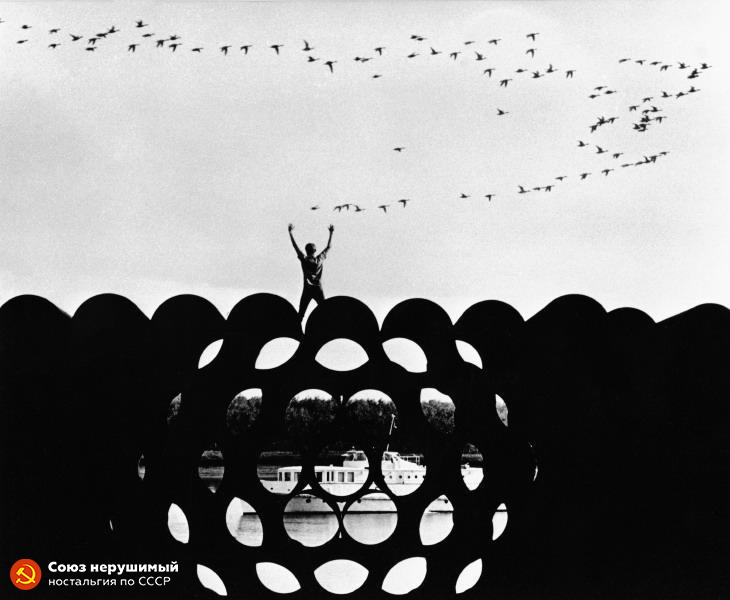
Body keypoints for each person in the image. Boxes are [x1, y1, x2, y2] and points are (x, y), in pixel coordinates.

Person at [288, 223, 334, 320]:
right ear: (315, 250)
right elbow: (328, 247)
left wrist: (290, 232)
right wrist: (331, 233)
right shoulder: (320, 259)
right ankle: (329, 329)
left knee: (300, 315)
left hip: (307, 290)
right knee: (325, 311)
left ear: (306, 250)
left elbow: (294, 246)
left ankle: (297, 332)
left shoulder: (304, 259)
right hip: (318, 289)